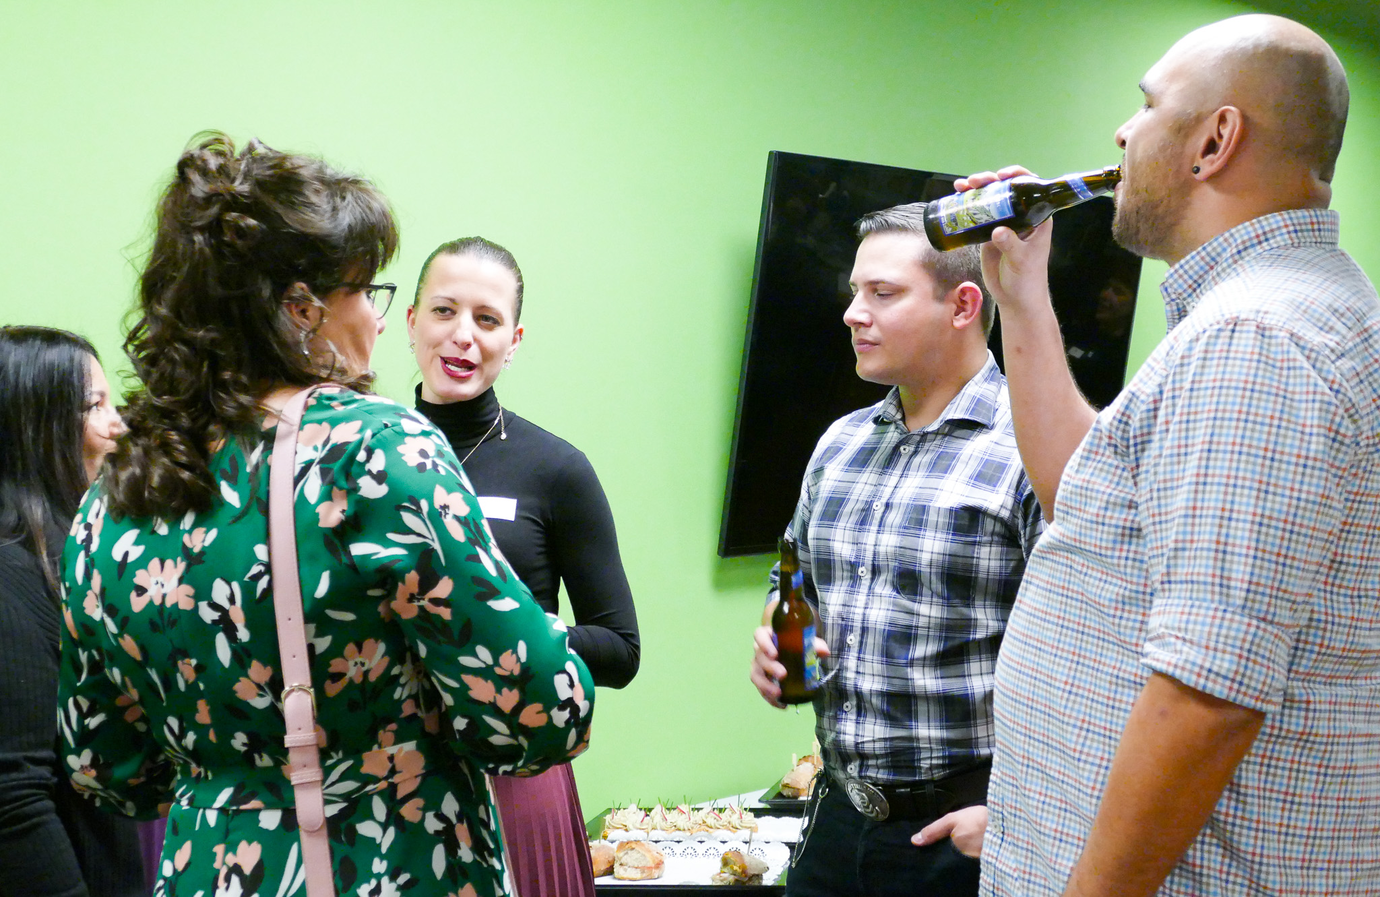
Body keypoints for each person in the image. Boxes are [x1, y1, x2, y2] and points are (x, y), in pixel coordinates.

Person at [56, 134, 594, 897]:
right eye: (367, 292)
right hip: (385, 863)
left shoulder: (114, 492)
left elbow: (104, 766)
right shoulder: (375, 450)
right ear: (302, 310)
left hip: (208, 868)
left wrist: (231, 772)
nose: (378, 321)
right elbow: (538, 711)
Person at [966, 14, 1380, 897]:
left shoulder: (1255, 340)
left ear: (1214, 141)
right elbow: (1088, 511)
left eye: (1148, 105)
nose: (1123, 133)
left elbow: (1208, 695)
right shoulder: (1287, 312)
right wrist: (1023, 299)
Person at [748, 205, 1042, 897]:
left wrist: (1017, 812)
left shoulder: (1033, 447)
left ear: (962, 305)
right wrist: (777, 640)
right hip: (836, 819)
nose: (853, 313)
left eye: (883, 293)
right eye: (856, 291)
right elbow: (791, 578)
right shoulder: (840, 442)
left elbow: (1093, 654)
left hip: (965, 835)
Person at [407, 236, 640, 897]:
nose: (462, 335)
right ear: (412, 321)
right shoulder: (366, 457)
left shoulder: (556, 469)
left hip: (516, 767)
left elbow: (621, 649)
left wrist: (517, 634)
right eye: (444, 310)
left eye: (487, 319)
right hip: (390, 776)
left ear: (512, 341)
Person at [0, 325, 143, 897]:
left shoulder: (75, 554)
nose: (118, 424)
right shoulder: (10, 575)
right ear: (34, 426)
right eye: (94, 406)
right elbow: (15, 799)